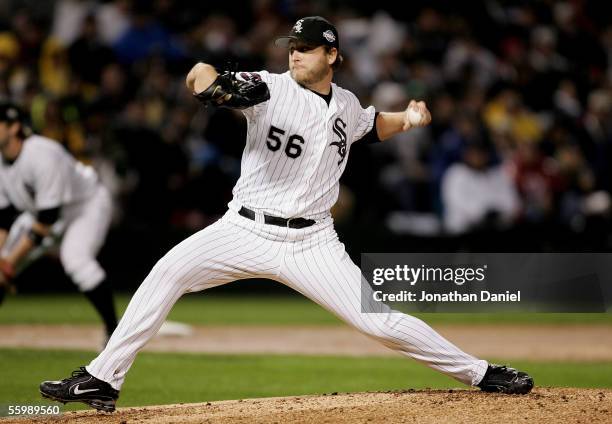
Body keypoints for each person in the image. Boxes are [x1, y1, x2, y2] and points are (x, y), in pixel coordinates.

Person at [39, 17, 533, 413]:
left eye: (306, 46)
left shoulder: (346, 104)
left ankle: (482, 373)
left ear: (332, 55)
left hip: (313, 242)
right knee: (167, 272)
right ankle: (103, 379)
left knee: (379, 323)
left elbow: (368, 126)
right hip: (244, 227)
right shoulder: (268, 88)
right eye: (291, 45)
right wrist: (212, 85)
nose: (294, 52)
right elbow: (199, 73)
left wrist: (408, 118)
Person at [0, 102, 117, 340]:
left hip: (85, 205)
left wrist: (8, 265)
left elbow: (46, 221)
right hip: (42, 214)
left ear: (13, 128)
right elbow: (3, 218)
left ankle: (114, 331)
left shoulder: (41, 153)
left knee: (76, 259)